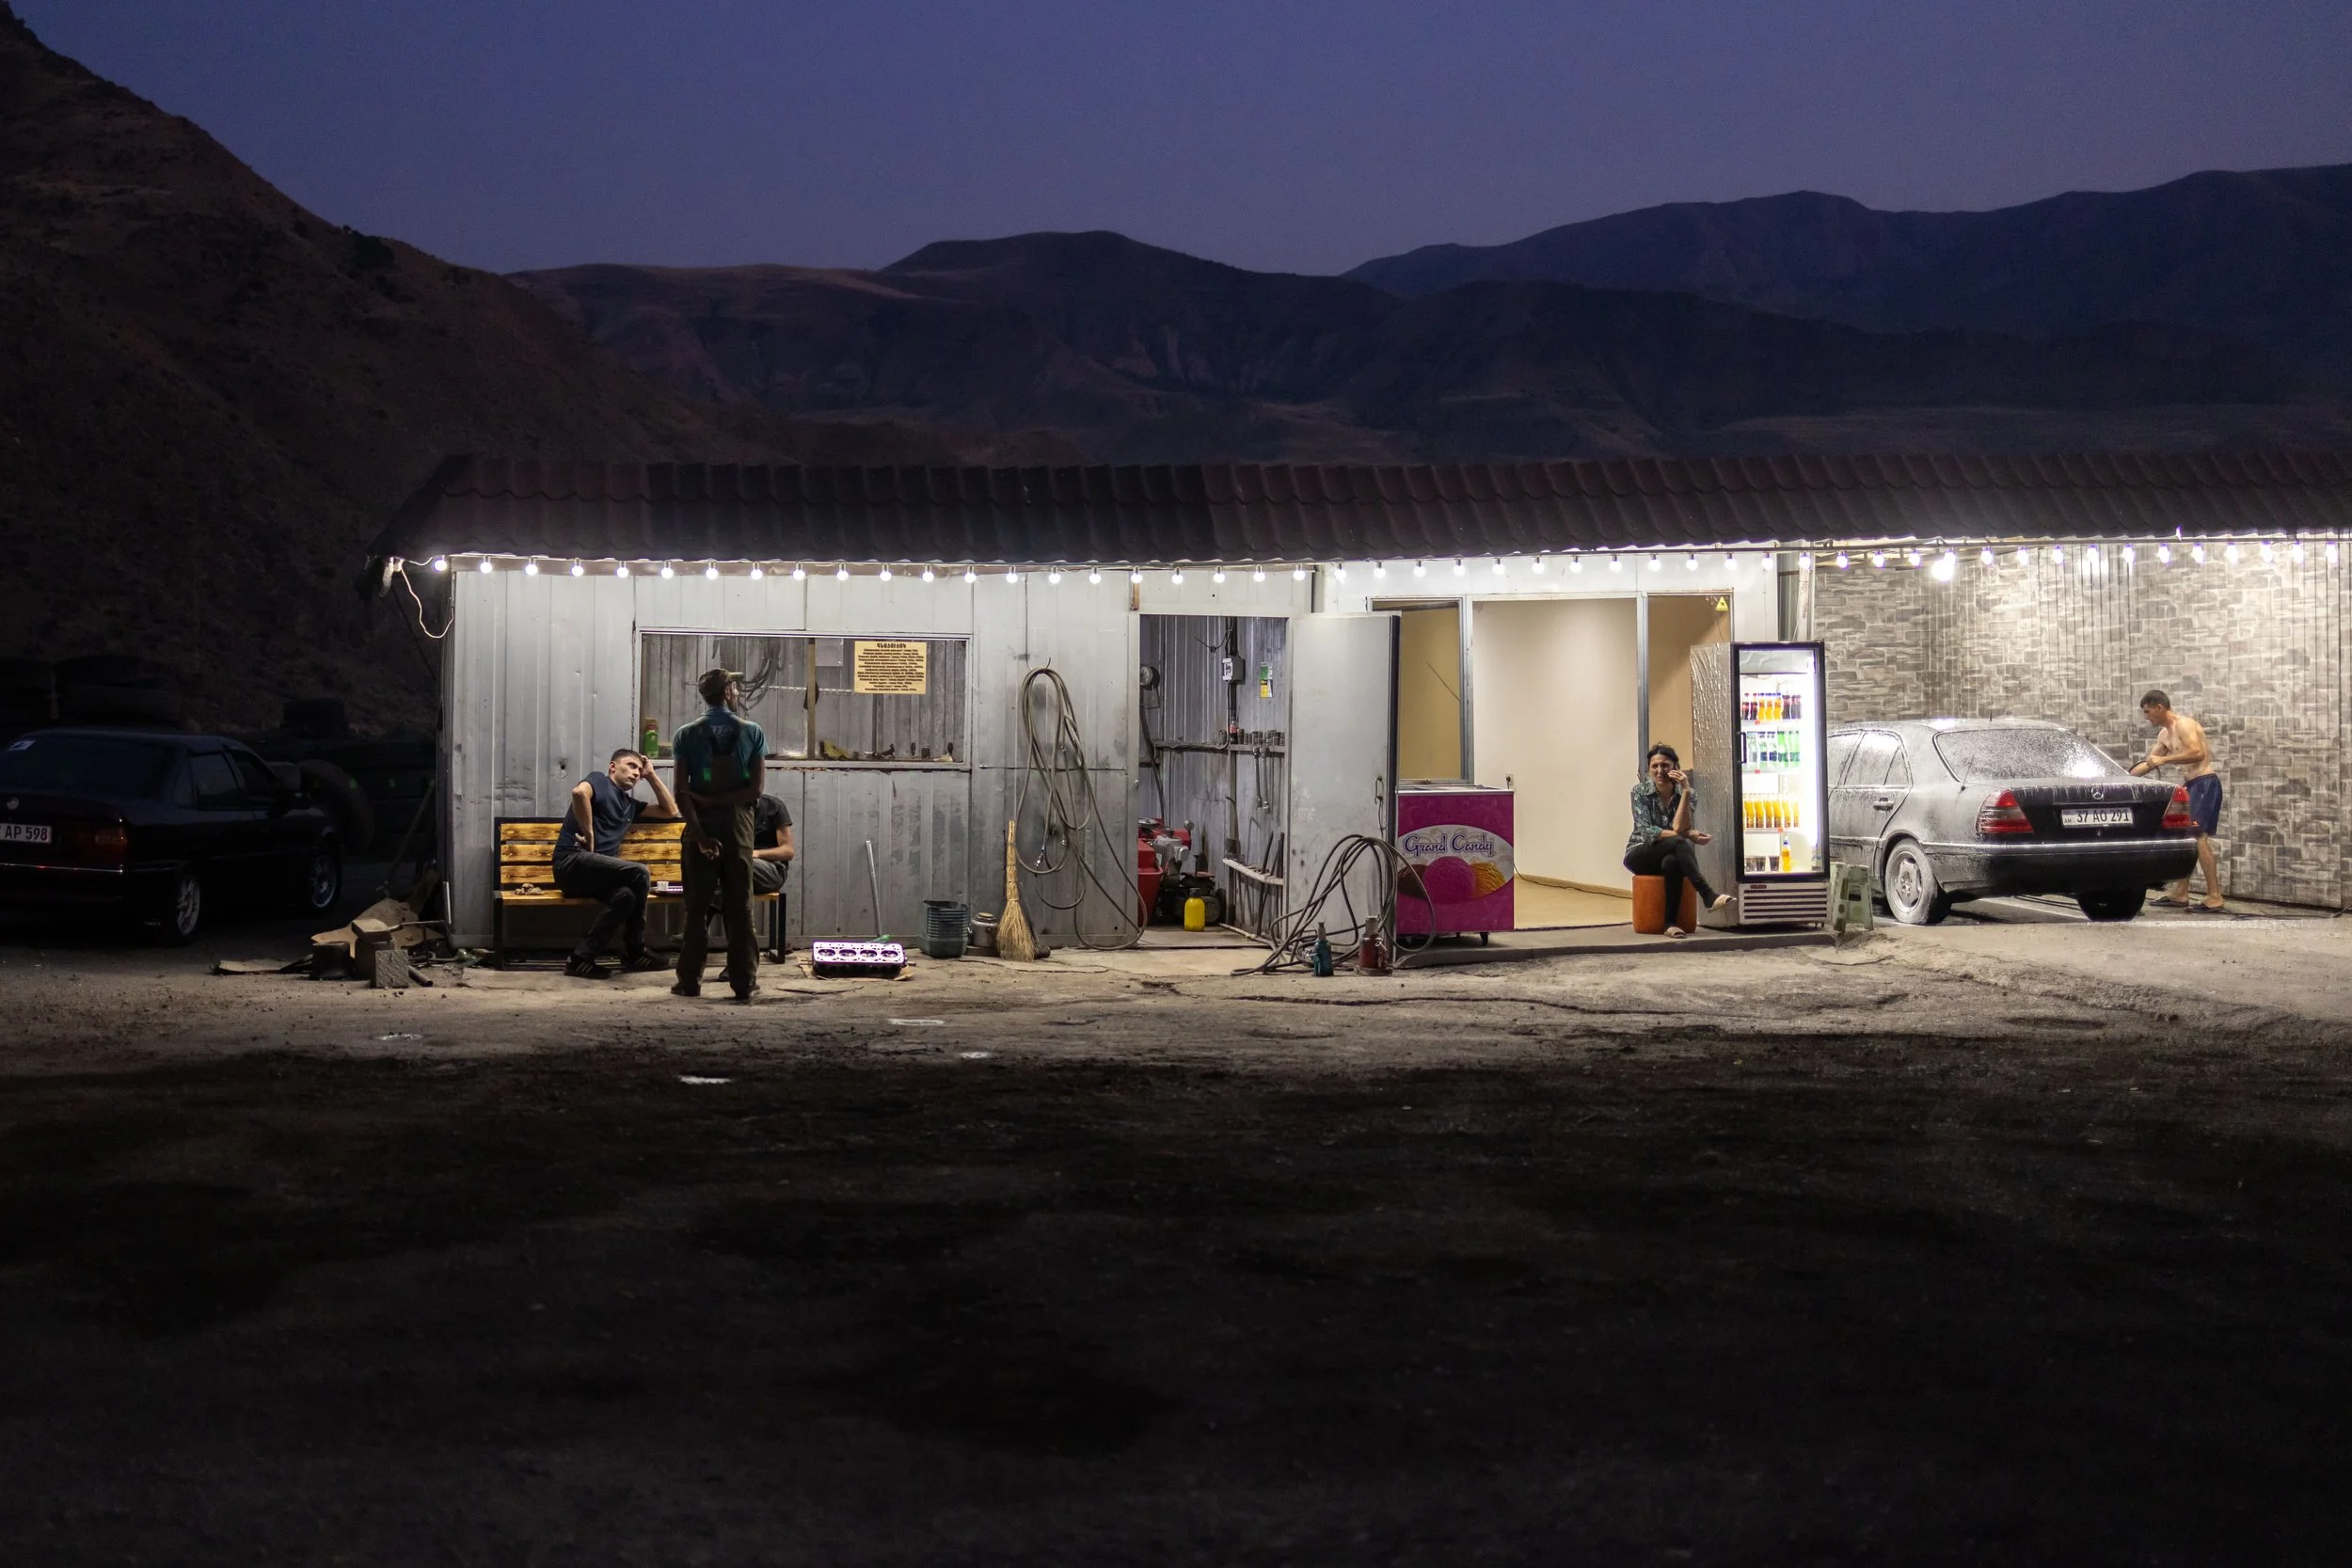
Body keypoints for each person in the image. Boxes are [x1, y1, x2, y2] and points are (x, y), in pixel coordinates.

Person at [671, 667, 767, 1000]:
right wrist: (722, 802)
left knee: (697, 908)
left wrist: (699, 834)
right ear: (727, 692)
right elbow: (754, 790)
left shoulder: (685, 735)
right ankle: (743, 982)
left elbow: (681, 793)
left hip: (700, 823)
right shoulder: (752, 732)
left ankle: (688, 982)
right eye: (735, 688)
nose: (737, 693)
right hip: (738, 825)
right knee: (739, 908)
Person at [551, 748, 681, 978]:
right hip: (572, 863)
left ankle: (580, 959)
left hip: (596, 875)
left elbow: (671, 810)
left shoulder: (630, 806)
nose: (636, 773)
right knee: (640, 873)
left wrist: (651, 775)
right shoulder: (599, 781)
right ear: (613, 766)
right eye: (631, 766)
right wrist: (589, 833)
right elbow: (579, 793)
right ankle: (635, 951)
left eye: (639, 771)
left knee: (626, 897)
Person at [1624, 743, 1734, 938]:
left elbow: (1678, 827)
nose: (1659, 771)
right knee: (1680, 842)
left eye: (1665, 765)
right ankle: (1707, 894)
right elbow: (1648, 832)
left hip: (1667, 853)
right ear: (1649, 769)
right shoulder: (1640, 791)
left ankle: (1670, 924)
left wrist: (1684, 791)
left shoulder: (1689, 794)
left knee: (1672, 862)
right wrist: (1687, 834)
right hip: (1640, 853)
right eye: (1654, 766)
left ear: (1676, 767)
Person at [2130, 689, 2225, 911]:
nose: (2146, 717)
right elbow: (2149, 763)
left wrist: (2163, 759)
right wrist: (2120, 777)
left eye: (2147, 711)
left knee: (2198, 838)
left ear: (2160, 707)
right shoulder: (2164, 735)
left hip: (2205, 783)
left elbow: (2197, 753)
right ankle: (2181, 894)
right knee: (2185, 838)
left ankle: (2215, 896)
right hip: (2191, 785)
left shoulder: (2184, 725)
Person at [750, 792, 796, 897]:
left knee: (739, 862)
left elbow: (788, 851)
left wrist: (757, 853)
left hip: (773, 869)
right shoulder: (731, 809)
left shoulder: (773, 806)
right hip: (738, 868)